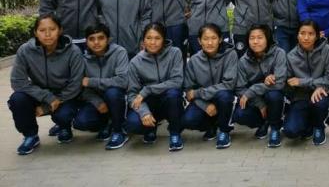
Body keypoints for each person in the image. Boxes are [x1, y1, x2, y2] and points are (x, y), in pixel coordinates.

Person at [8, 14, 84, 154]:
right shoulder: (25, 50)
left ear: (60, 30)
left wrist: (48, 106)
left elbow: (76, 84)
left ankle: (64, 127)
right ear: (35, 32)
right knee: (17, 99)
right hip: (39, 93)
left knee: (63, 115)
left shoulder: (73, 51)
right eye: (42, 30)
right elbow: (17, 81)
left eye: (52, 29)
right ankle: (30, 135)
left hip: (65, 95)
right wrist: (47, 98)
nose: (47, 34)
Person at [124, 23, 185, 152]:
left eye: (157, 38)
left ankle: (175, 133)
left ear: (164, 39)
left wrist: (147, 90)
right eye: (149, 38)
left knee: (173, 93)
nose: (153, 42)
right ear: (143, 40)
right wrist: (144, 112)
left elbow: (177, 81)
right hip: (149, 103)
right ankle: (150, 128)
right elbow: (132, 94)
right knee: (132, 124)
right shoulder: (135, 62)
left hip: (170, 102)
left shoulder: (175, 53)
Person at [72, 23, 130, 150]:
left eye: (101, 38)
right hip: (97, 101)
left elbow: (123, 81)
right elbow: (82, 87)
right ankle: (106, 124)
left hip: (117, 99)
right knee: (81, 122)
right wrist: (97, 102)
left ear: (108, 39)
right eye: (91, 39)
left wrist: (92, 82)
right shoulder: (83, 59)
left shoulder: (119, 52)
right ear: (86, 41)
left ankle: (119, 130)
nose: (96, 42)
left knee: (112, 93)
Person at [181, 24, 238, 149]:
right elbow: (189, 91)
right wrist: (205, 105)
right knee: (187, 120)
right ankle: (211, 126)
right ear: (199, 41)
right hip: (204, 101)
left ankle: (224, 130)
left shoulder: (230, 54)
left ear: (220, 39)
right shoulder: (194, 60)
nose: (210, 42)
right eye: (205, 39)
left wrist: (198, 93)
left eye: (213, 38)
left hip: (223, 98)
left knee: (224, 95)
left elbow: (229, 84)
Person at [284, 20, 329, 147]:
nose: (306, 37)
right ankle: (308, 126)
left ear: (317, 35)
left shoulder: (327, 50)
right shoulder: (291, 56)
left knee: (319, 102)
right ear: (297, 35)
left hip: (322, 94)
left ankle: (319, 126)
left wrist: (303, 82)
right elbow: (289, 83)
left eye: (311, 34)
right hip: (300, 97)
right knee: (291, 131)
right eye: (302, 33)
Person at [232, 24, 287, 147]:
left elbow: (280, 83)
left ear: (268, 39)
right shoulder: (243, 61)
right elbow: (240, 88)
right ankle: (263, 123)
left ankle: (275, 127)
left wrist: (252, 90)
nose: (255, 41)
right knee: (240, 114)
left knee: (274, 95)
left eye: (260, 37)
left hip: (276, 97)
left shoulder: (279, 53)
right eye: (252, 38)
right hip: (255, 101)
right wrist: (259, 104)